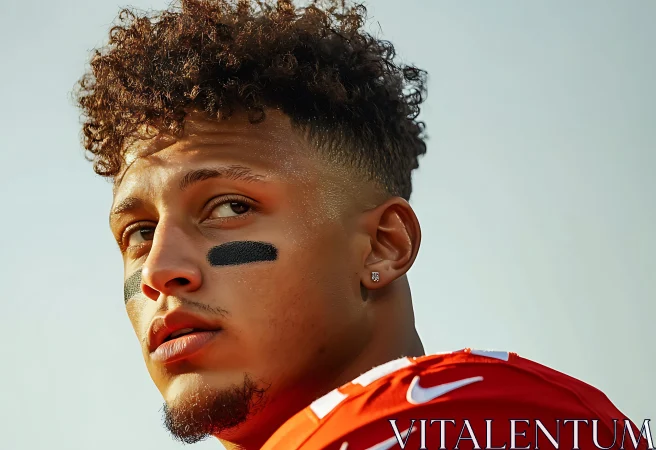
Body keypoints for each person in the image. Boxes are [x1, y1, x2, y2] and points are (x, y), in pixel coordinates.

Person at [73, 1, 647, 449]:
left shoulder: (478, 421)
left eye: (229, 207)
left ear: (382, 245)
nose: (159, 270)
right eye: (139, 233)